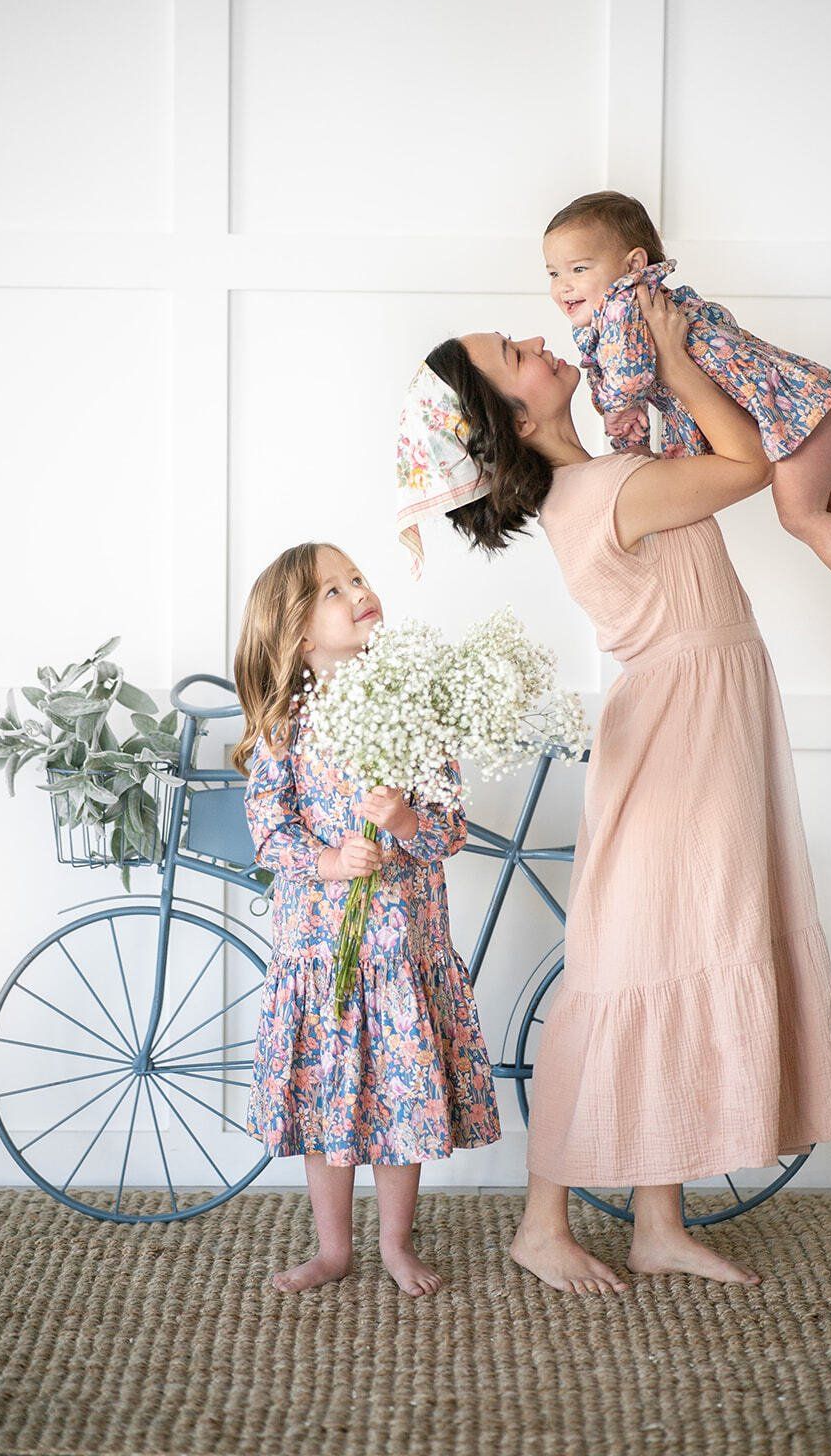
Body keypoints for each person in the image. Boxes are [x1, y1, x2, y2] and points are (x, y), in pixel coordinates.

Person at [399, 288, 831, 1295]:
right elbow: (747, 465)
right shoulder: (607, 488)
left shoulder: (603, 476)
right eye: (511, 351)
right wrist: (679, 360)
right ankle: (540, 1224)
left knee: (673, 958)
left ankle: (657, 1221)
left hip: (696, 721)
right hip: (682, 734)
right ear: (514, 417)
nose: (534, 337)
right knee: (631, 972)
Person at [232, 541, 500, 1296]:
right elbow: (269, 829)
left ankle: (394, 1242)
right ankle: (332, 1249)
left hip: (400, 956)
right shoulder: (287, 724)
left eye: (357, 578)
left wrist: (406, 821)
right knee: (328, 1104)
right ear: (298, 635)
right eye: (333, 590)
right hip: (324, 955)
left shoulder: (413, 710)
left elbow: (449, 828)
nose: (357, 591)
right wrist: (328, 860)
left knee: (399, 1102)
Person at [544, 189, 831, 654]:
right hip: (808, 402)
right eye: (554, 273)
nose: (564, 286)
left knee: (801, 516)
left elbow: (629, 374)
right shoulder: (659, 301)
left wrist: (617, 409)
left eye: (579, 269)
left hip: (790, 420)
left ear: (633, 264)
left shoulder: (625, 306)